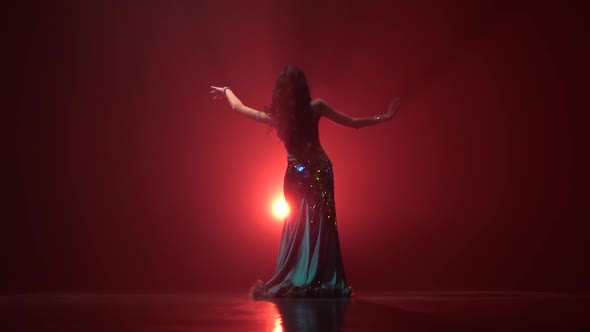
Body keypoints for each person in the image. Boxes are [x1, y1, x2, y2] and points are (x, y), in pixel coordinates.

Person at [211, 65, 400, 298]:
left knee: (299, 226)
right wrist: (385, 117)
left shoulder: (277, 118)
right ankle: (319, 276)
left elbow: (238, 108)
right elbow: (353, 122)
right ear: (303, 88)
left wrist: (227, 89)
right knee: (321, 225)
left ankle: (303, 274)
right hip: (320, 171)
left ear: (281, 91)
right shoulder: (315, 107)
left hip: (297, 174)